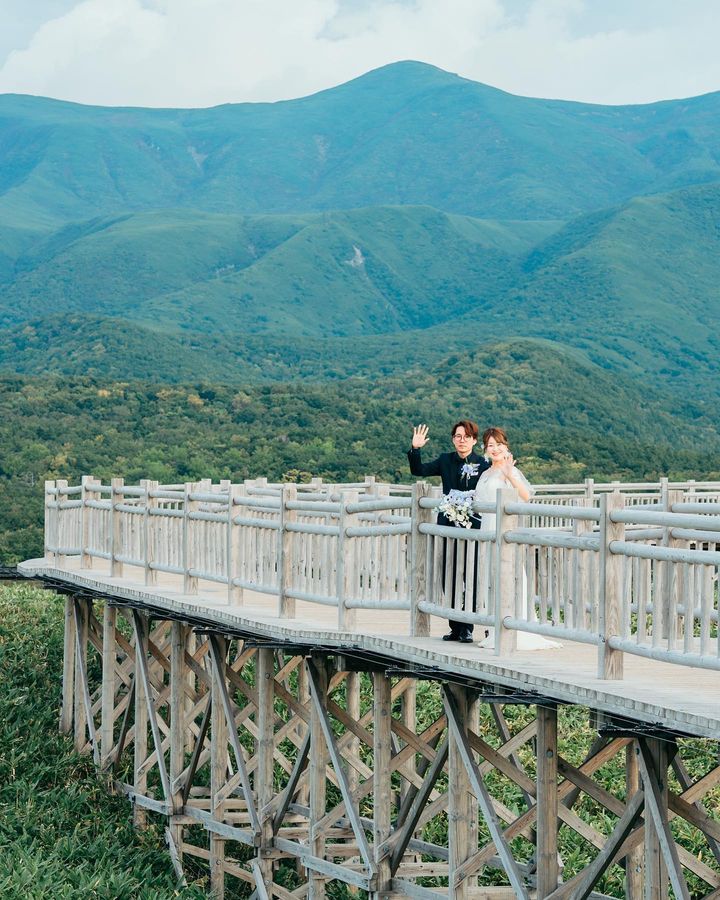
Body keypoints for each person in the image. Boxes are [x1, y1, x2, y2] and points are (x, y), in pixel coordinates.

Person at [474, 427, 560, 651]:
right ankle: (496, 629)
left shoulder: (511, 470)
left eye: (498, 444)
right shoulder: (484, 473)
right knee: (492, 577)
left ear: (506, 447)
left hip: (506, 531)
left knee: (511, 576)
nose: (494, 449)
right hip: (489, 529)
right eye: (490, 445)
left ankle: (516, 628)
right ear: (485, 449)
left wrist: (510, 475)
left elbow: (525, 496)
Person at [407, 420, 489, 642]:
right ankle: (454, 625)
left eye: (467, 437)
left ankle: (467, 627)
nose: (462, 441)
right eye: (458, 436)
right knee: (449, 573)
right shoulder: (445, 460)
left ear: (474, 440)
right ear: (453, 439)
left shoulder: (483, 464)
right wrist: (416, 449)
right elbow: (419, 470)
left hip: (472, 527)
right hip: (447, 525)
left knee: (470, 575)